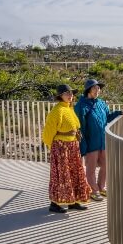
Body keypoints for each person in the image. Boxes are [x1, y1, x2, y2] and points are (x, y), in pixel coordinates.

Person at [42, 84, 92, 213]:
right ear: (60, 96)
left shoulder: (69, 109)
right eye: (67, 93)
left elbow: (75, 125)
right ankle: (54, 204)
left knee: (74, 173)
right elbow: (48, 133)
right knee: (61, 176)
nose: (70, 96)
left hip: (72, 146)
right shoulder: (56, 111)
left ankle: (72, 201)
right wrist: (53, 148)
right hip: (61, 147)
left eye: (71, 93)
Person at [75, 78, 123, 201]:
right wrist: (83, 143)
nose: (97, 90)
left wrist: (118, 113)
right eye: (94, 88)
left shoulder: (101, 103)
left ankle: (101, 187)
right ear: (88, 90)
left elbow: (107, 118)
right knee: (90, 168)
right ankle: (94, 190)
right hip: (91, 142)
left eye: (98, 88)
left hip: (103, 141)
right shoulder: (81, 106)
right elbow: (80, 126)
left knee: (106, 165)